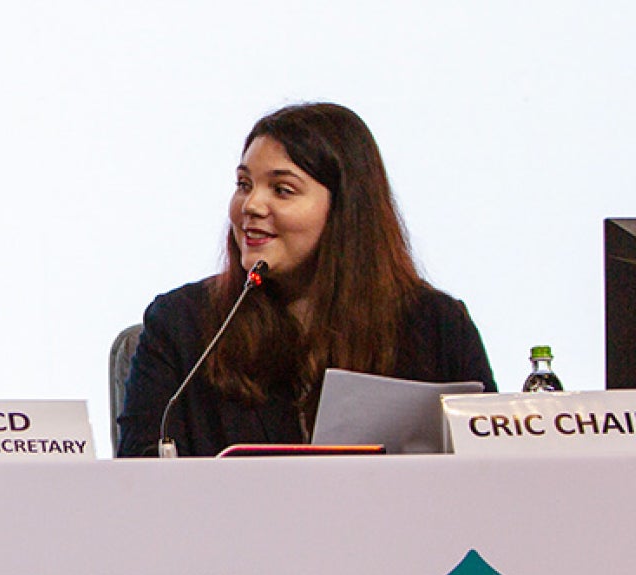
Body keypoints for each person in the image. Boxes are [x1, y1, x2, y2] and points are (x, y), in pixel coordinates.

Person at [116, 102, 496, 457]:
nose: (251, 206)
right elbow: (137, 483)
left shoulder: (435, 327)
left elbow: (490, 471)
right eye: (244, 184)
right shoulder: (182, 325)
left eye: (282, 190)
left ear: (346, 211)